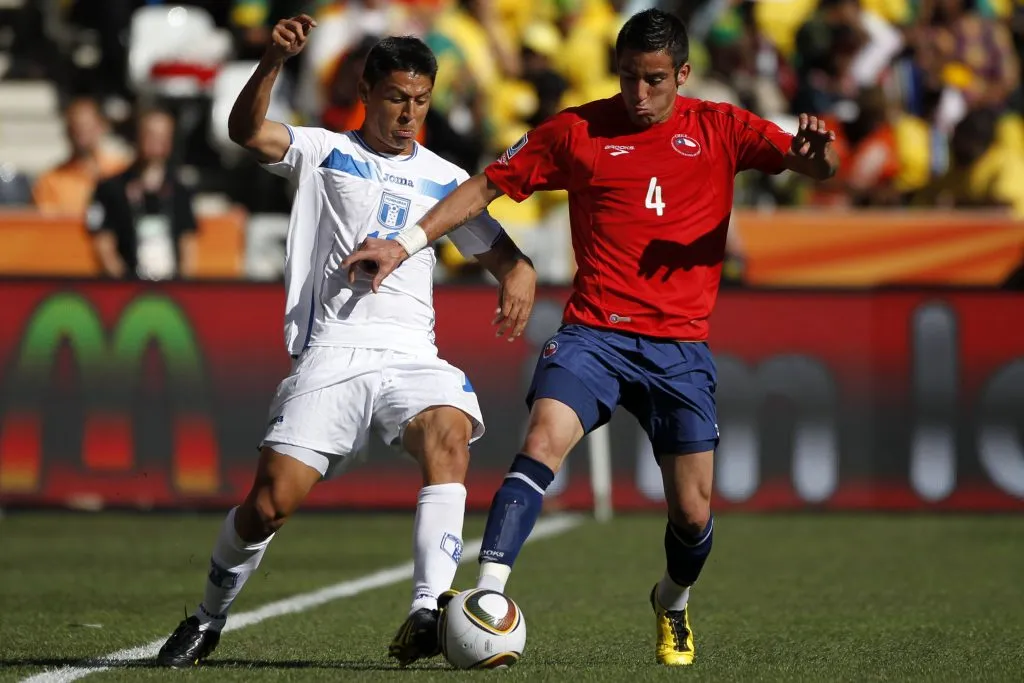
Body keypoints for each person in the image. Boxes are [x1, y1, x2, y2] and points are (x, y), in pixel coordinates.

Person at [343, 8, 838, 667]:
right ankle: (488, 596)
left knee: (692, 514)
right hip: (594, 334)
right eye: (629, 78)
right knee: (542, 438)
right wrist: (405, 246)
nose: (639, 94)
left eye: (655, 80)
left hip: (680, 347)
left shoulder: (721, 128)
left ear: (683, 75)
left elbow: (815, 166)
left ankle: (672, 600)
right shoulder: (578, 131)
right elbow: (485, 186)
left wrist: (819, 155)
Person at [155, 17, 536, 668]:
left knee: (449, 431)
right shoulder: (325, 151)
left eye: (420, 100)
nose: (409, 113)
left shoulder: (447, 179)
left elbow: (507, 258)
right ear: (367, 89)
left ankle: (428, 609)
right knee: (269, 504)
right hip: (333, 348)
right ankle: (209, 616)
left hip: (411, 352)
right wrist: (273, 61)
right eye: (396, 98)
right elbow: (245, 131)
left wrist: (520, 279)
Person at [86, 109, 196, 280]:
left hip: (171, 285)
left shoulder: (180, 190)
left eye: (164, 135)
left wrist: (184, 284)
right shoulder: (111, 188)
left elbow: (188, 242)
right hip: (128, 285)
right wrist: (123, 281)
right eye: (151, 134)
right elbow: (103, 242)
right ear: (138, 136)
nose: (157, 141)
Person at [33, 97, 129, 215]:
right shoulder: (50, 180)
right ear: (67, 131)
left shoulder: (120, 170)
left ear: (101, 128)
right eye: (77, 128)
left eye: (87, 127)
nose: (82, 135)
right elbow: (48, 225)